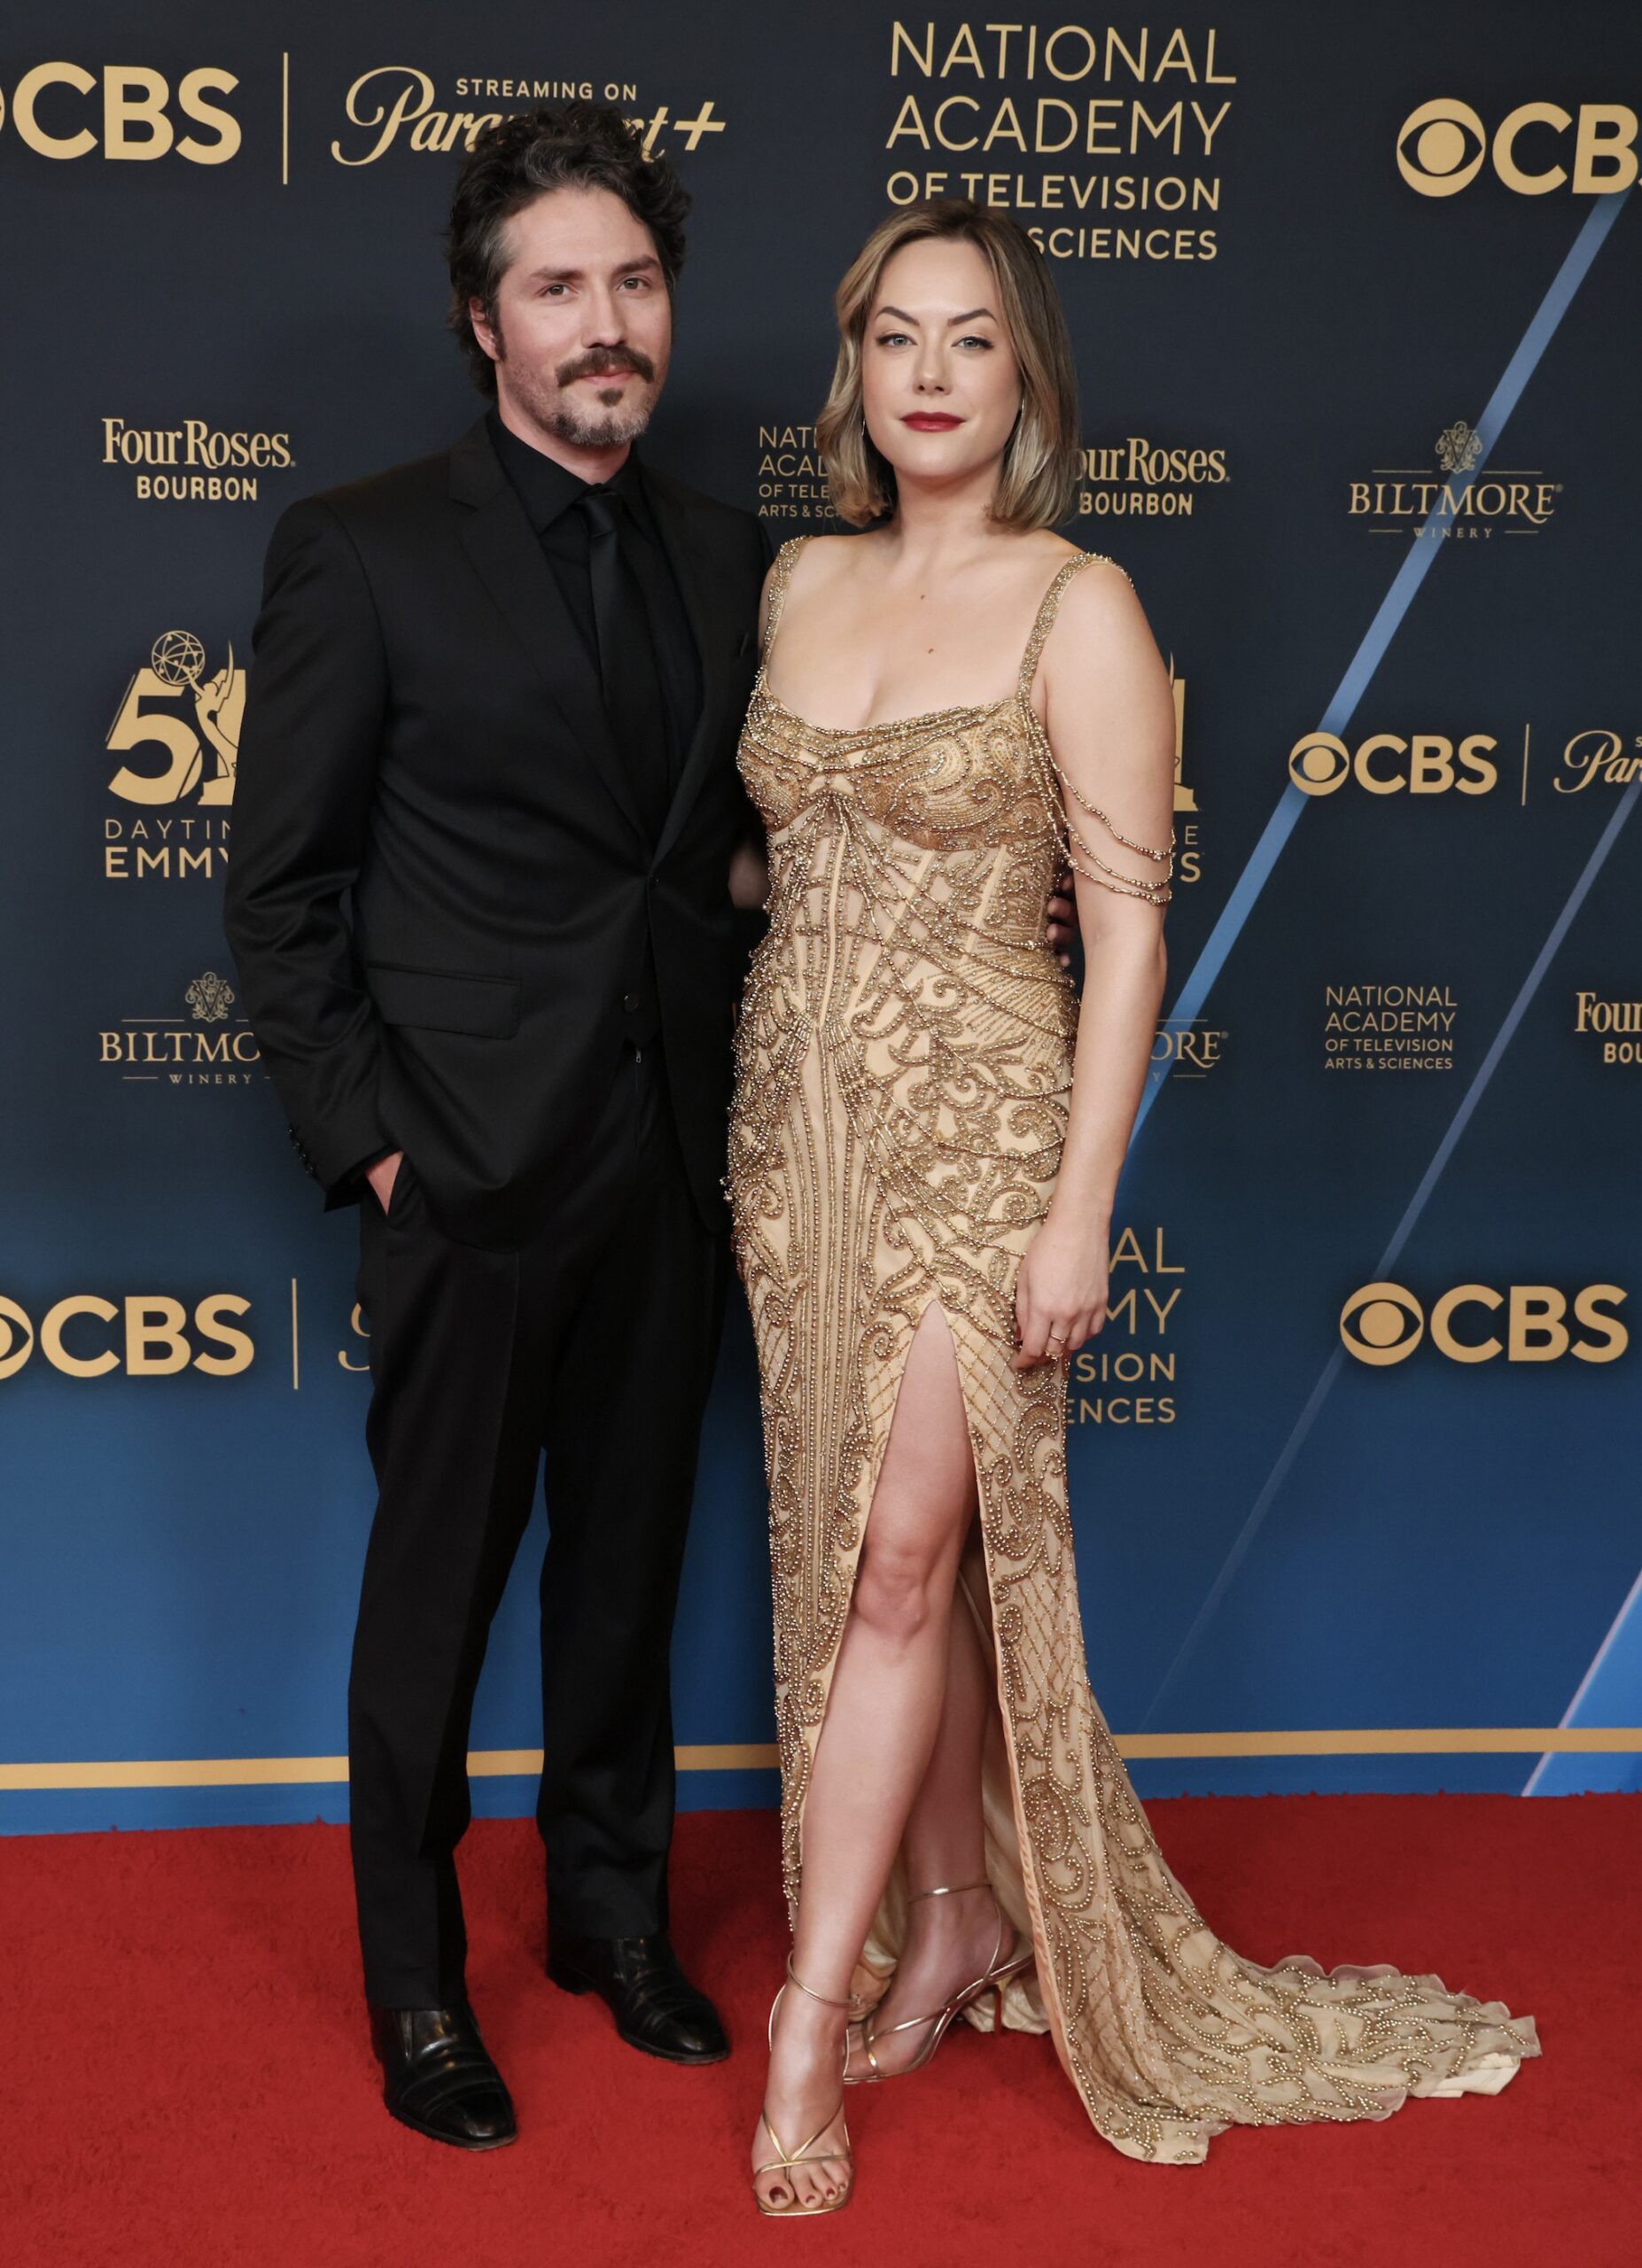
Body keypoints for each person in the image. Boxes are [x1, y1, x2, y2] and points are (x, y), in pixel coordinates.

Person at [726, 198, 1539, 2217]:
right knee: (855, 1544)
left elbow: (1127, 932)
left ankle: (807, 2017)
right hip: (788, 1138)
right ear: (859, 366)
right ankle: (952, 1918)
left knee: (893, 1569)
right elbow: (789, 850)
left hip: (981, 1136)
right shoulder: (796, 579)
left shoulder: (1080, 602)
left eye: (971, 338)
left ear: (1028, 377)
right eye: (896, 334)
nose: (928, 371)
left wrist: (1083, 1204)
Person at [223, 104, 770, 2149]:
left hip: (669, 1162)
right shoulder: (361, 548)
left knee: (625, 1573)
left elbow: (709, 865)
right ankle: (417, 1978)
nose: (605, 323)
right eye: (559, 287)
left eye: (634, 283)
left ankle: (611, 1918)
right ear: (485, 322)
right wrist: (378, 1141)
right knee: (436, 1592)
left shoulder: (729, 554)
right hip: (460, 1169)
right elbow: (279, 892)